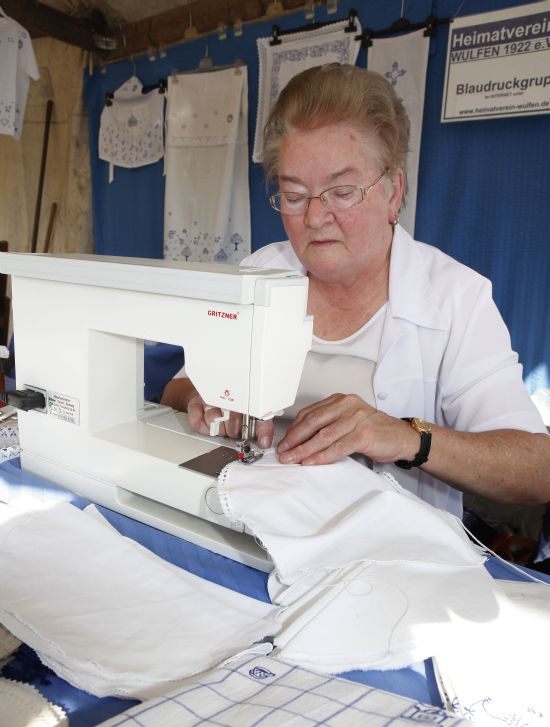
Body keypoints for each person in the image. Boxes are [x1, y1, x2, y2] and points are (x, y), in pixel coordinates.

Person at [161, 63, 550, 517]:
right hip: (261, 518)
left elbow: (536, 470)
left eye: (342, 192)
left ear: (393, 192)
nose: (314, 217)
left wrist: (407, 437)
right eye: (294, 195)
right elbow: (179, 387)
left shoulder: (455, 299)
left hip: (391, 543)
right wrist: (202, 400)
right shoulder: (262, 271)